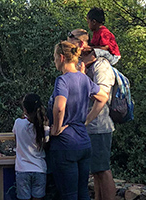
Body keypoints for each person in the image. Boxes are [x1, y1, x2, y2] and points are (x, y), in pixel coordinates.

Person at [48, 41, 109, 199]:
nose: (54, 61)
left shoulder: (62, 80)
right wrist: (86, 121)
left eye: (54, 58)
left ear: (61, 57)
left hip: (65, 145)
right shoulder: (84, 79)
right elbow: (103, 97)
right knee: (83, 193)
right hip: (83, 143)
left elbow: (60, 106)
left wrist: (56, 127)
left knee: (68, 194)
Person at [70, 29, 117, 200]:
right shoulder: (82, 64)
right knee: (96, 171)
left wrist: (87, 120)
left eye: (71, 41)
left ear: (81, 44)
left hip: (100, 126)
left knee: (103, 170)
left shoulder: (101, 65)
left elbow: (102, 98)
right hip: (89, 127)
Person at [12, 93, 49, 200]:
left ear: (25, 109)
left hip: (22, 168)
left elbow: (15, 136)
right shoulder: (44, 127)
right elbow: (46, 143)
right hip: (40, 168)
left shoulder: (18, 123)